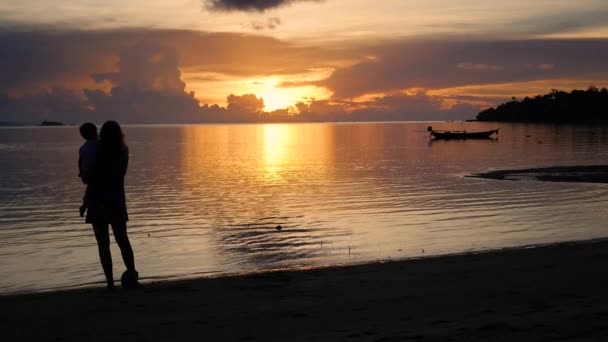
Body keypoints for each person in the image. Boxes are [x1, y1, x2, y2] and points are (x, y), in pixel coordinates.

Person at [86, 121, 139, 291]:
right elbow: (119, 174)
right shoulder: (123, 151)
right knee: (123, 240)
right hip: (116, 199)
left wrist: (85, 201)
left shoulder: (98, 151)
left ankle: (110, 283)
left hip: (98, 200)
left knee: (103, 244)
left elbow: (91, 178)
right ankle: (132, 275)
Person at [78, 122, 98, 217]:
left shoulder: (84, 149)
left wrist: (84, 205)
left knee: (100, 231)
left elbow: (87, 177)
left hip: (95, 196)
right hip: (113, 195)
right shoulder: (107, 146)